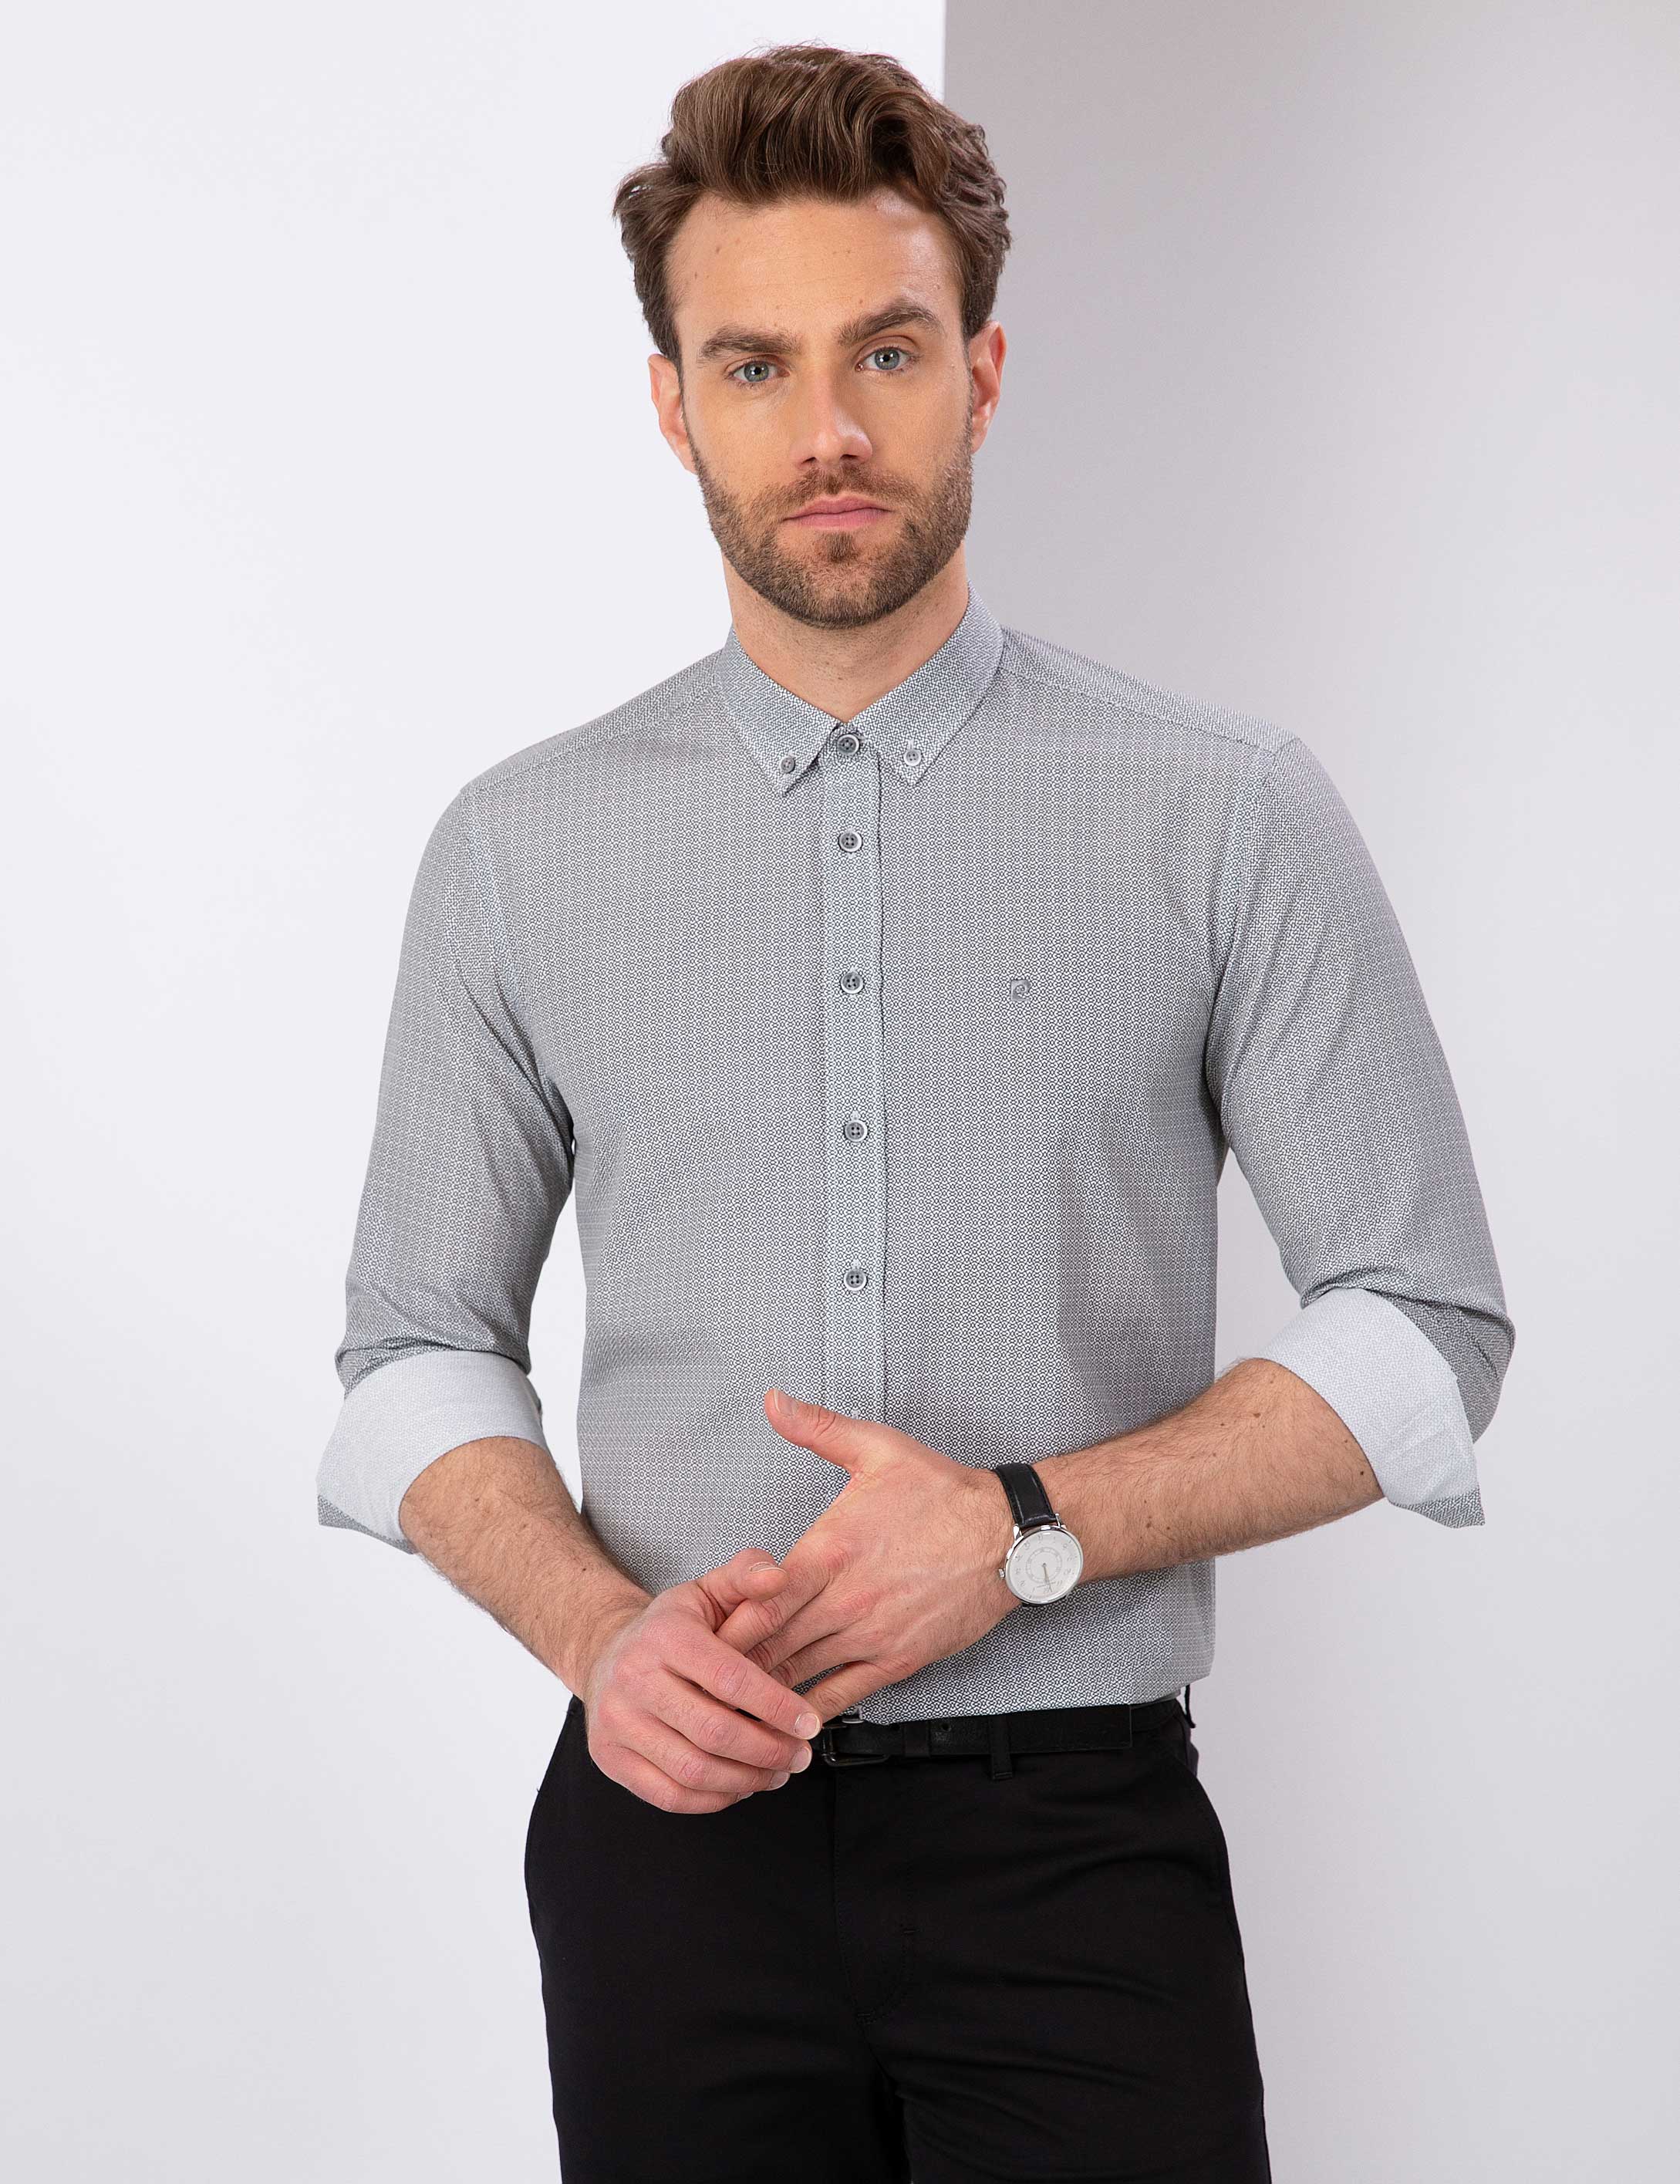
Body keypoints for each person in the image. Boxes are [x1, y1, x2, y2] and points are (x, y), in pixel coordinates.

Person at [315, 39, 1513, 2183]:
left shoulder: (1224, 811)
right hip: (668, 1841)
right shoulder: (517, 848)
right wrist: (599, 1636)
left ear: (982, 370)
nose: (830, 432)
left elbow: (1423, 1327)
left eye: (883, 350)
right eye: (753, 365)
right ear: (672, 405)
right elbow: (413, 1353)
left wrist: (1026, 1527)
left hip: (1077, 1850)